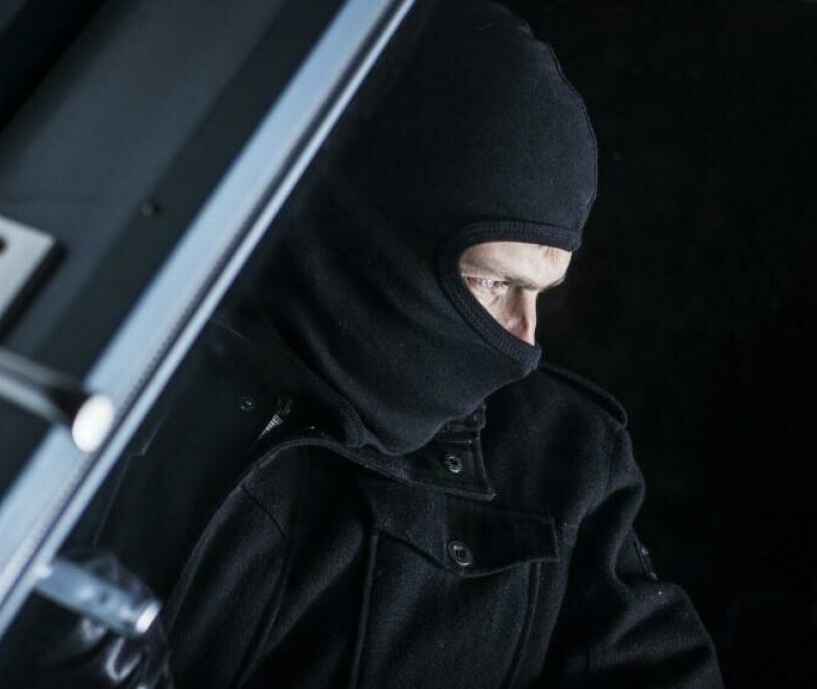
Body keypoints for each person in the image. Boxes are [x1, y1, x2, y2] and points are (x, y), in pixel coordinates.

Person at [152, 0, 724, 686]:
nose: (525, 341)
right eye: (493, 282)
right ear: (378, 235)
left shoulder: (563, 470)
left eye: (540, 292)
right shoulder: (130, 377)